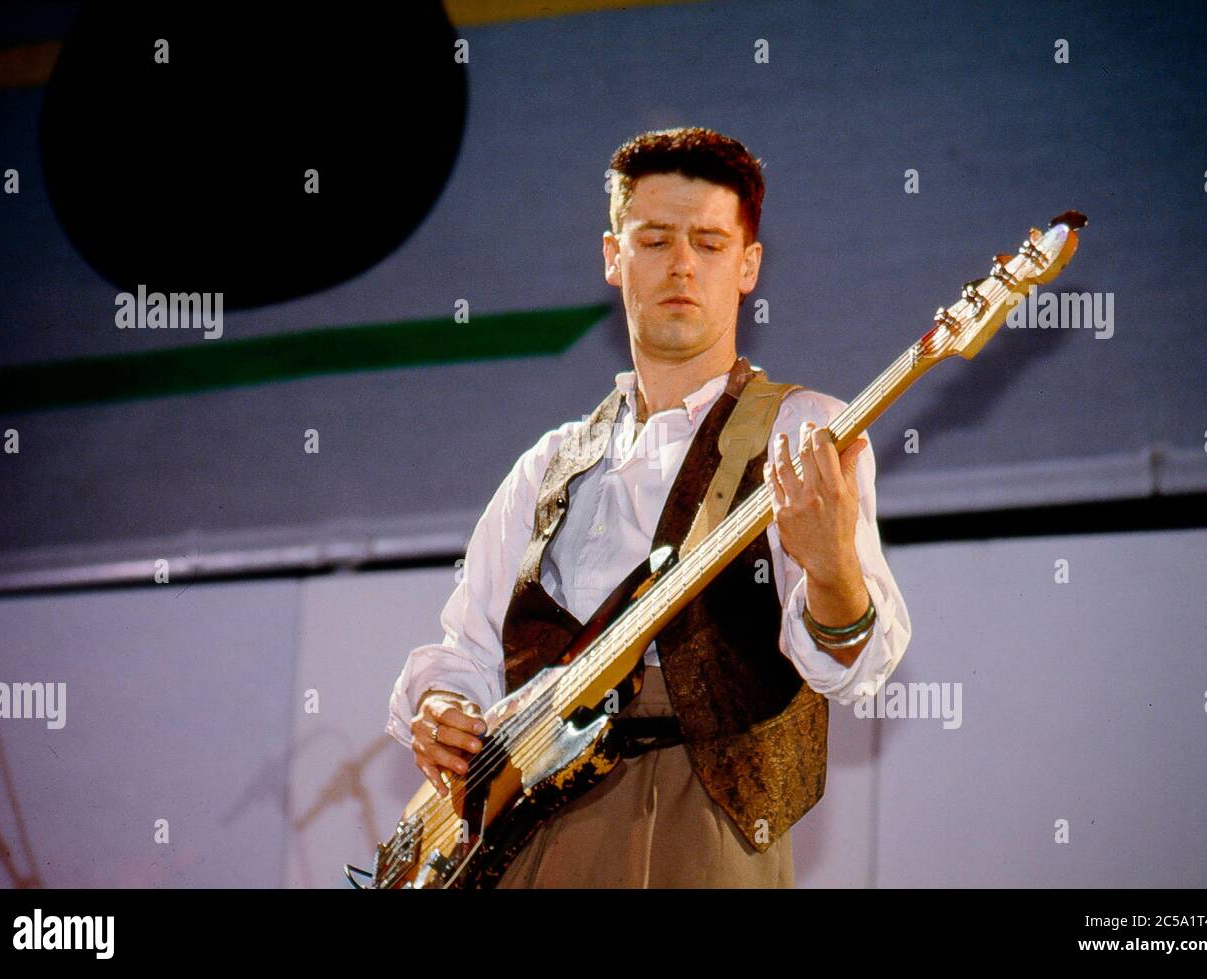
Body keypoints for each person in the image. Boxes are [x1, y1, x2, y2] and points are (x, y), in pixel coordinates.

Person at [386, 126, 911, 887]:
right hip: (524, 833)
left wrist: (832, 569)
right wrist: (439, 706)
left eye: (708, 241)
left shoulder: (805, 429)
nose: (681, 265)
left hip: (703, 823)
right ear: (613, 255)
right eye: (655, 238)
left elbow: (857, 669)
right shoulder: (549, 462)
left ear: (748, 266)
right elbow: (464, 649)